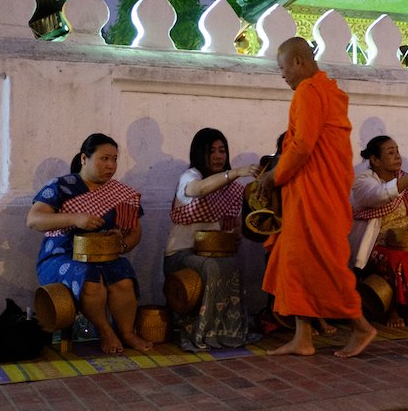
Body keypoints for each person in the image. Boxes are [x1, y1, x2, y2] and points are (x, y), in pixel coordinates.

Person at [256, 37, 377, 357]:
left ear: (298, 62)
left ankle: (362, 326)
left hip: (315, 195)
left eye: (283, 67)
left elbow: (302, 147)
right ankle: (303, 337)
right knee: (297, 263)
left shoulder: (309, 91)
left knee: (323, 265)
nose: (282, 75)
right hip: (312, 193)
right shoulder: (327, 91)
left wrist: (273, 176)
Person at [27, 134, 151, 354]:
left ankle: (127, 333)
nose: (111, 165)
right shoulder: (61, 186)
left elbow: (135, 232)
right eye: (104, 158)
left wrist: (121, 245)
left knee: (123, 276)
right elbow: (34, 220)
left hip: (106, 257)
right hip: (61, 257)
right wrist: (75, 219)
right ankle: (105, 331)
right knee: (89, 277)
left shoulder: (122, 194)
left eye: (114, 159)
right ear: (84, 158)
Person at [163, 128, 262, 349]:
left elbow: (234, 224)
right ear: (200, 154)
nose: (218, 156)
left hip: (212, 252)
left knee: (232, 265)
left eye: (222, 150)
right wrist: (235, 172)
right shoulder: (191, 176)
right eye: (211, 151)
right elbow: (198, 189)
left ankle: (229, 332)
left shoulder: (232, 189)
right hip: (180, 255)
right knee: (212, 267)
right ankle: (198, 334)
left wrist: (235, 234)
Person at [349, 136, 408, 327]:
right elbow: (379, 195)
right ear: (375, 160)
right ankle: (393, 311)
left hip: (404, 242)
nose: (397, 156)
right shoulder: (363, 181)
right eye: (390, 152)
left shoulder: (405, 179)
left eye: (397, 151)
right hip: (376, 244)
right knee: (397, 259)